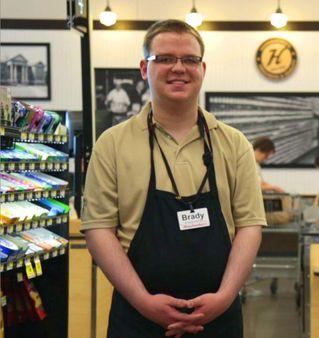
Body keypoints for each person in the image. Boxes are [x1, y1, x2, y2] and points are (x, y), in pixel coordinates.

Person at [82, 19, 265, 338]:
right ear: (144, 68)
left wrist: (223, 298)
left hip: (218, 317)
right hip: (138, 317)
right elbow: (99, 230)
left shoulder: (234, 144)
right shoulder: (112, 143)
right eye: (165, 58)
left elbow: (249, 225)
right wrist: (144, 302)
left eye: (189, 60)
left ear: (202, 69)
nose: (179, 68)